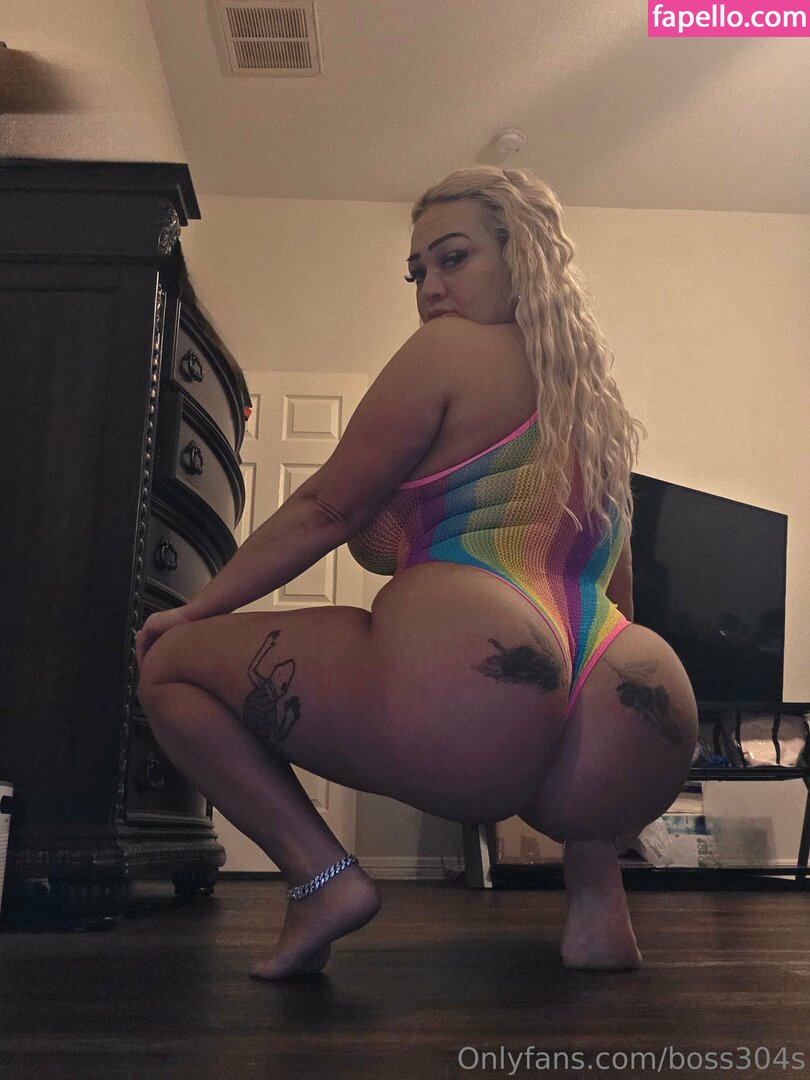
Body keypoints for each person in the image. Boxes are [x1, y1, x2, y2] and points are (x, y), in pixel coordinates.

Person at [135, 166, 699, 980]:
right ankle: (597, 905)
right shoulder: (596, 409)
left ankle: (322, 881)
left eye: (453, 257)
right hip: (629, 698)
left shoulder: (449, 350)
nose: (431, 287)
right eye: (417, 272)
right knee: (589, 673)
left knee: (169, 669)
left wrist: (195, 610)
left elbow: (327, 509)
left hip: (476, 676)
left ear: (522, 256)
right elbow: (617, 586)